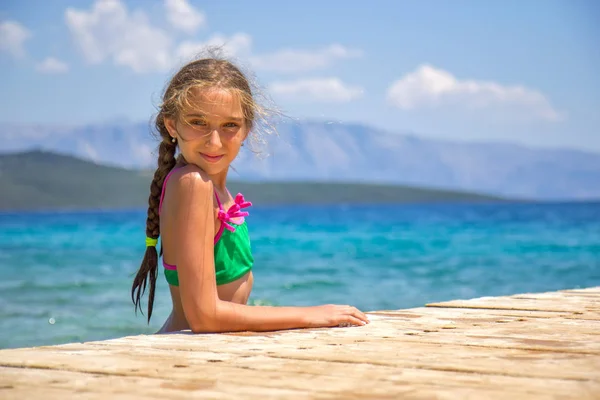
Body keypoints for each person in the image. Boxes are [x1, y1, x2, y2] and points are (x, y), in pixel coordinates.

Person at [131, 54, 370, 333]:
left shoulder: (213, 189)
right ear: (173, 125)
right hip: (188, 355)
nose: (215, 141)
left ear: (246, 129)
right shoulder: (194, 184)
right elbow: (204, 316)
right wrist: (313, 314)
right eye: (198, 122)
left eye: (229, 125)